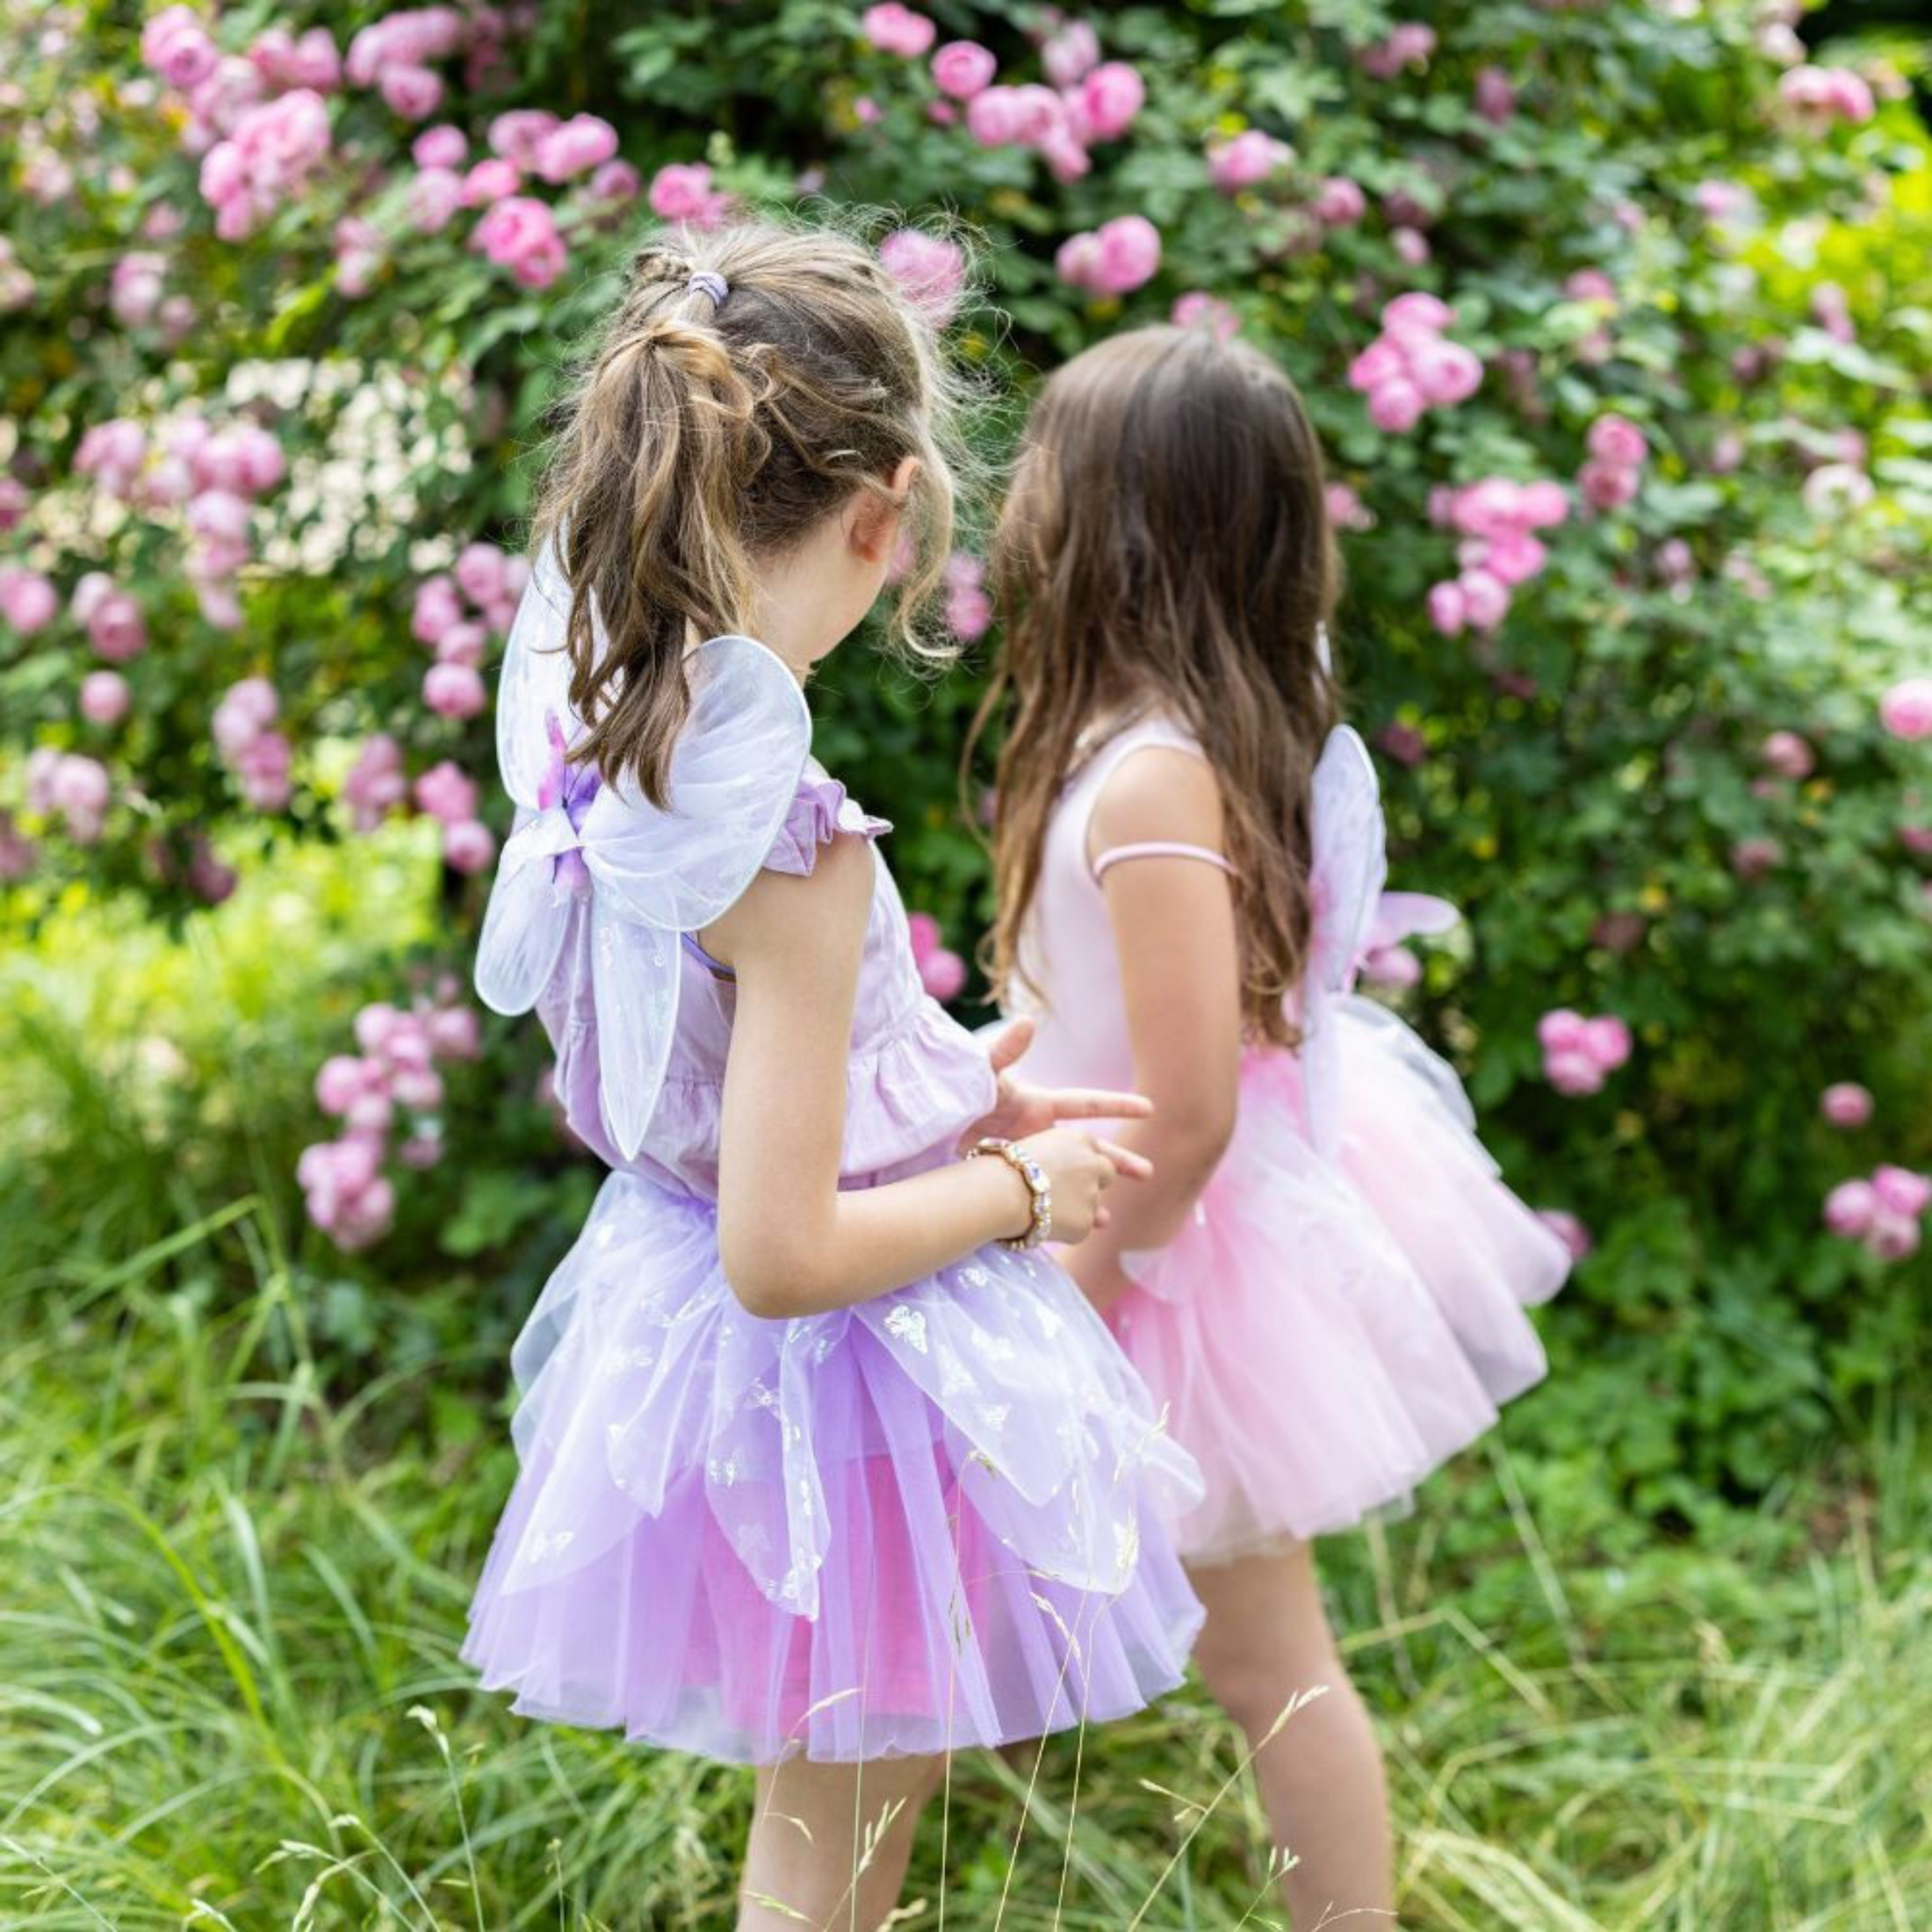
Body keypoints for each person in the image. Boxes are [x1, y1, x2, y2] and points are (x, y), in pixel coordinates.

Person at [461, 227, 1204, 1931]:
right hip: (837, 1389)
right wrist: (1021, 1192)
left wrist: (942, 1080)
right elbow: (779, 1249)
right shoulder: (792, 842)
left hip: (695, 1360)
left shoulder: (607, 740)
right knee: (836, 1851)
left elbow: (703, 1083)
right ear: (881, 515)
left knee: (824, 1828)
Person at [978, 324, 1571, 1927]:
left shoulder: (1157, 778)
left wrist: (1076, 1324)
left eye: (1047, 465)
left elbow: (1187, 1110)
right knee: (1151, 1629)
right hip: (1081, 1211)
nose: (1014, 494)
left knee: (1269, 1664)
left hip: (1148, 1257)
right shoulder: (1125, 742)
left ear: (1121, 521)